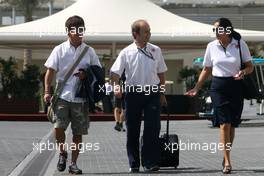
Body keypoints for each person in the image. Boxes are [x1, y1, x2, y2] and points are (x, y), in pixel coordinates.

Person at [185, 17, 253, 174]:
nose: (215, 32)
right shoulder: (211, 46)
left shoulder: (239, 44)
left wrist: (243, 71)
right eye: (214, 29)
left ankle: (225, 154)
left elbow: (250, 66)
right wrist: (196, 87)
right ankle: (227, 161)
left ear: (227, 30)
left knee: (232, 124)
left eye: (218, 29)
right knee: (224, 124)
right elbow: (206, 69)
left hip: (236, 87)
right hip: (218, 87)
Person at [44, 15, 101, 174]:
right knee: (58, 127)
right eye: (76, 30)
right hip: (62, 96)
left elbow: (98, 72)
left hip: (81, 98)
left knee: (78, 132)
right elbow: (50, 72)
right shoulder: (59, 49)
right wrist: (47, 91)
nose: (79, 33)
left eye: (82, 30)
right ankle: (62, 152)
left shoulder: (89, 51)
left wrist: (86, 75)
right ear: (68, 32)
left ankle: (74, 164)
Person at [111, 19, 167, 173]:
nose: (149, 34)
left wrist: (162, 93)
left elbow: (161, 73)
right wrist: (116, 86)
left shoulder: (156, 50)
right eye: (146, 31)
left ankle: (150, 162)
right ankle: (134, 163)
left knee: (152, 128)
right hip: (133, 93)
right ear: (135, 34)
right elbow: (114, 73)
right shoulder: (126, 52)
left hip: (152, 92)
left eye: (149, 31)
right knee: (132, 129)